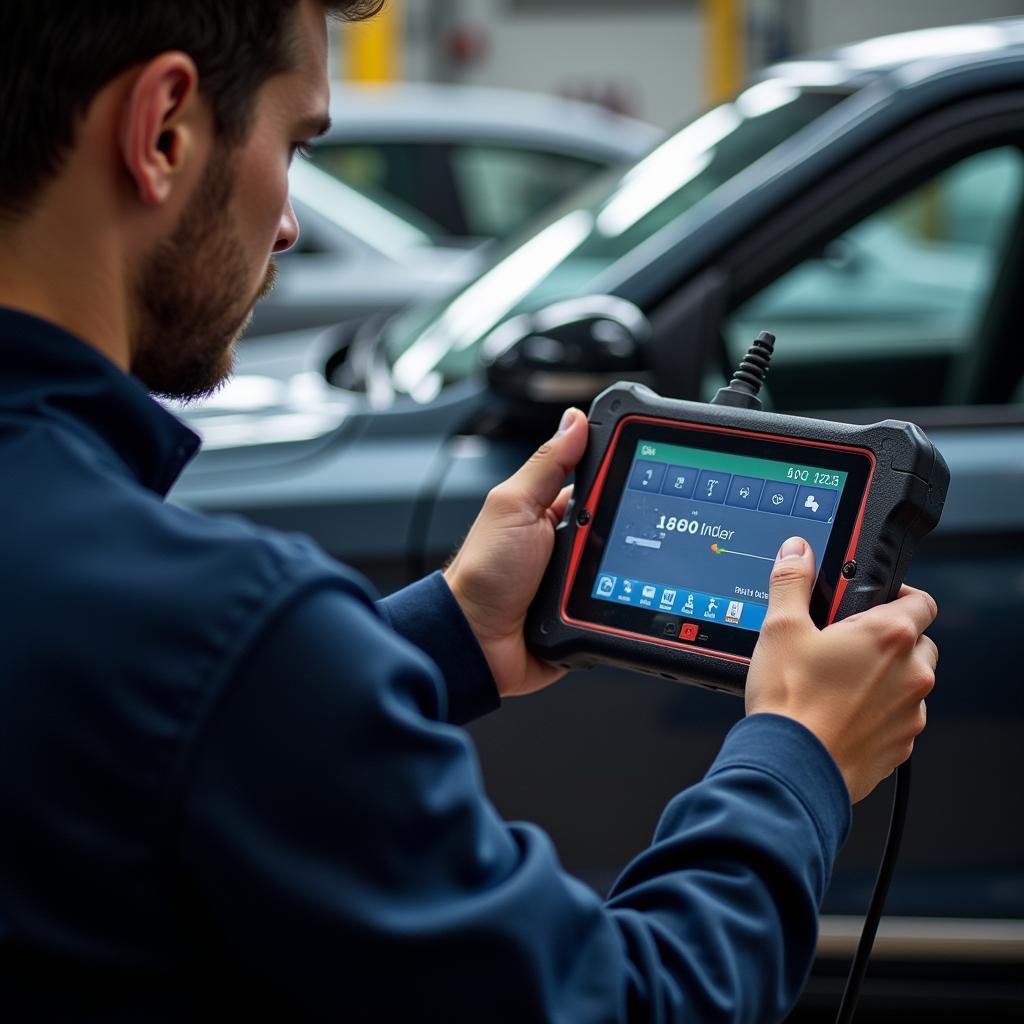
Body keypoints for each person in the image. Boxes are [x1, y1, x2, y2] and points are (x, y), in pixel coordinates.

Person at [0, 2, 937, 1021]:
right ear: (165, 128)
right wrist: (797, 754)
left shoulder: (162, 629)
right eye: (295, 141)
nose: (288, 222)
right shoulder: (224, 634)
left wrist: (448, 631)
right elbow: (626, 1004)